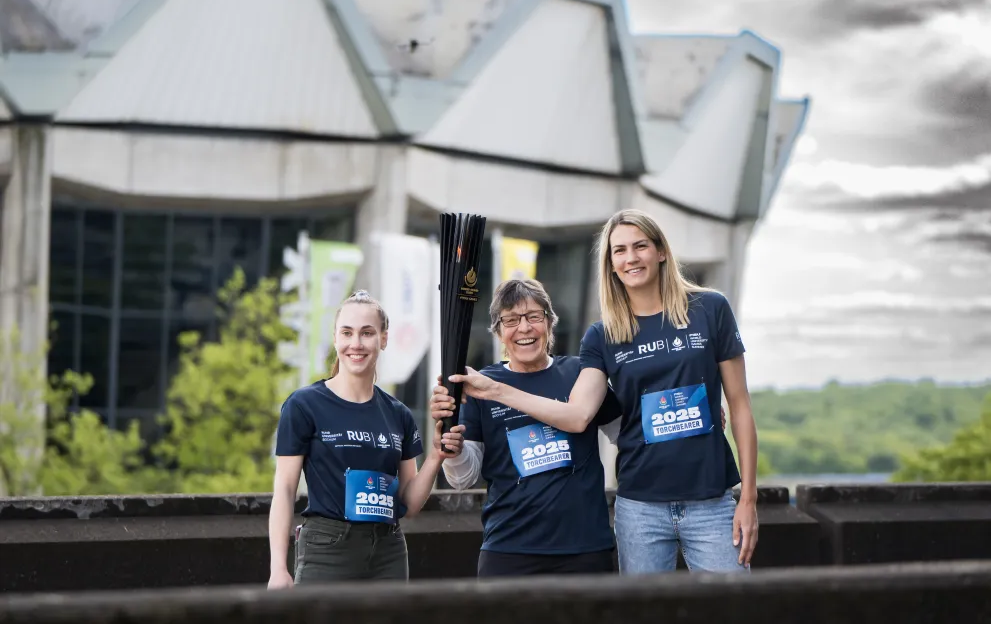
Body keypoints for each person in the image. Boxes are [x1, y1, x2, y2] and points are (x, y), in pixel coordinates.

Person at [449, 209, 759, 574]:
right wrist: (493, 392)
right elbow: (579, 416)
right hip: (640, 507)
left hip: (710, 500)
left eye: (640, 246)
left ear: (661, 251)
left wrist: (748, 497)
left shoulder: (711, 308)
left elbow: (740, 406)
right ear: (610, 264)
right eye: (619, 250)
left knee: (734, 603)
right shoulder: (602, 334)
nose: (631, 258)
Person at [268, 290, 465, 587]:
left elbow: (409, 504)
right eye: (347, 333)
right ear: (335, 338)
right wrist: (277, 568)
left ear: (383, 339)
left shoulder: (399, 414)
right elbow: (284, 489)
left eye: (367, 333)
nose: (356, 343)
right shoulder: (304, 405)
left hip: (389, 552)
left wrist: (436, 456)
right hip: (327, 550)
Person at [429, 278, 622, 577]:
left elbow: (627, 436)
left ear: (550, 323)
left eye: (534, 316)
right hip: (509, 550)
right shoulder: (481, 386)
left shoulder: (580, 374)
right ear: (498, 331)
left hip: (584, 548)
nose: (524, 328)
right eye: (510, 320)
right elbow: (462, 479)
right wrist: (453, 452)